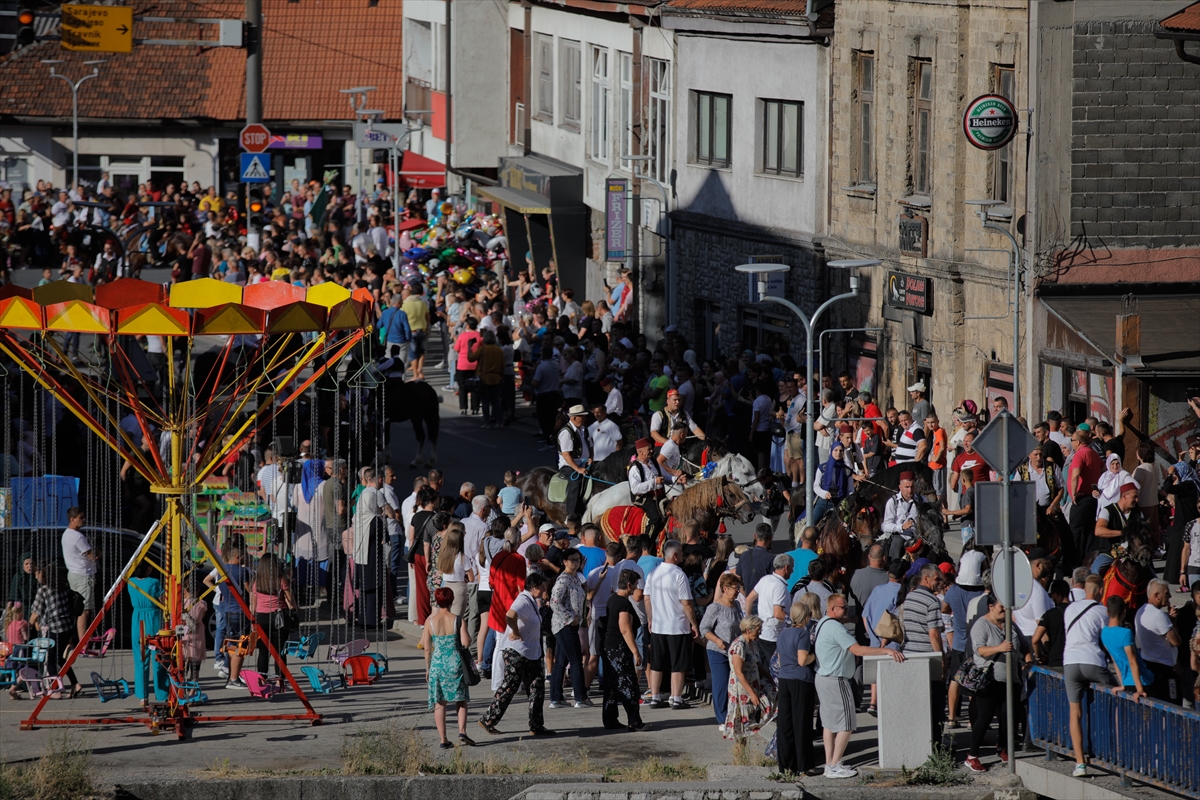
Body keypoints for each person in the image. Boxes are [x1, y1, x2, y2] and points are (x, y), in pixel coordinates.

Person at [814, 594, 905, 778]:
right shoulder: (836, 628)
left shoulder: (822, 623)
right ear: (832, 609)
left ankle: (830, 763)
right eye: (843, 608)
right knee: (846, 724)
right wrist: (886, 650)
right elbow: (857, 650)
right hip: (836, 679)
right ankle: (834, 765)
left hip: (824, 677)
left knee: (829, 725)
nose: (846, 611)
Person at [478, 572, 554, 737]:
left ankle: (536, 725)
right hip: (517, 652)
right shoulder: (523, 600)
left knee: (536, 687)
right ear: (533, 588)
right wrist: (515, 630)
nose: (544, 589)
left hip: (531, 653)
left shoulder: (531, 600)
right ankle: (488, 719)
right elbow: (509, 615)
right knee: (509, 687)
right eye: (542, 586)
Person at [963, 594, 1027, 773]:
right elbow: (980, 650)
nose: (1005, 610)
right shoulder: (981, 625)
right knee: (985, 717)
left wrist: (1028, 661)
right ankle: (972, 756)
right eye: (1001, 606)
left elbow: (1023, 644)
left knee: (1008, 716)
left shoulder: (1010, 625)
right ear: (991, 606)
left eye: (1007, 607)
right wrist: (1000, 648)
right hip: (989, 679)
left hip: (1011, 678)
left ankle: (1003, 748)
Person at [1063, 574, 1112, 778]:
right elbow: (1107, 639)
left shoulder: (1069, 608)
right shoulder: (1102, 611)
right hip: (1092, 660)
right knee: (1118, 695)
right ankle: (1116, 751)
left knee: (1075, 712)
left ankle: (1080, 763)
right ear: (1100, 590)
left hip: (1070, 662)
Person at [645, 540, 699, 710]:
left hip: (659, 625)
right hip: (677, 625)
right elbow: (687, 603)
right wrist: (694, 623)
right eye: (681, 552)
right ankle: (676, 698)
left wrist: (650, 618)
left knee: (657, 662)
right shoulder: (679, 574)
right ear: (675, 555)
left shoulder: (653, 573)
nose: (683, 555)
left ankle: (655, 696)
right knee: (678, 663)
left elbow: (646, 597)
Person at [422, 586, 475, 748]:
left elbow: (426, 647)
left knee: (440, 702)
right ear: (452, 601)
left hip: (437, 664)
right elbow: (466, 643)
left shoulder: (430, 621)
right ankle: (462, 731)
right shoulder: (458, 619)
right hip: (455, 663)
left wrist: (428, 668)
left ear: (437, 601)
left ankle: (443, 739)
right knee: (461, 698)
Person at [776, 600, 820, 776]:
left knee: (785, 724)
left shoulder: (782, 634)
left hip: (784, 679)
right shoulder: (803, 634)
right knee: (802, 723)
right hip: (800, 681)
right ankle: (804, 765)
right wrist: (814, 655)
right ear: (805, 617)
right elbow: (802, 660)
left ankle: (785, 765)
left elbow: (780, 660)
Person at [944, 550, 987, 728]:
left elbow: (944, 608)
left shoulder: (953, 590)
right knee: (973, 683)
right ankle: (972, 720)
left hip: (958, 643)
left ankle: (952, 718)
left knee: (955, 680)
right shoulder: (982, 594)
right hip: (976, 644)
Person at [602, 569, 647, 730]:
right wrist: (635, 651)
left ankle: (610, 719)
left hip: (608, 646)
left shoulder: (612, 599)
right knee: (628, 684)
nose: (636, 588)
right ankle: (634, 721)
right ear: (629, 585)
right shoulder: (623, 603)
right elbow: (625, 628)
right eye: (635, 584)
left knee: (612, 685)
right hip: (619, 648)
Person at [721, 615, 776, 742]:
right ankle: (740, 751)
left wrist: (770, 678)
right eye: (758, 630)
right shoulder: (739, 646)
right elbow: (739, 672)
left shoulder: (752, 644)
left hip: (754, 684)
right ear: (748, 630)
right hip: (742, 690)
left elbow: (757, 663)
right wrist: (752, 694)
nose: (760, 632)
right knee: (741, 722)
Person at [700, 572, 744, 726]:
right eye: (735, 588)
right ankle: (722, 718)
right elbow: (704, 628)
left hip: (734, 651)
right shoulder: (715, 607)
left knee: (734, 683)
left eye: (738, 588)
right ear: (725, 588)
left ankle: (734, 713)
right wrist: (717, 640)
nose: (738, 591)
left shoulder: (737, 605)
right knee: (721, 683)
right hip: (717, 650)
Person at [548, 548, 589, 708]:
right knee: (576, 660)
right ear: (564, 561)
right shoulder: (563, 579)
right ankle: (580, 697)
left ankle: (556, 698)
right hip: (564, 625)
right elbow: (554, 602)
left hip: (567, 624)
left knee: (561, 662)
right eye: (572, 560)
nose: (575, 563)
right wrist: (570, 618)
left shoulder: (575, 578)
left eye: (578, 560)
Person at [1134, 579, 1181, 704]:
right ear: (1157, 595)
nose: (1170, 596)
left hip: (1149, 665)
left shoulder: (1140, 611)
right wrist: (1172, 623)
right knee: (1173, 706)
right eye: (1167, 593)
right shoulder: (1158, 615)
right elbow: (1176, 641)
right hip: (1164, 671)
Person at [128, 561, 167, 703]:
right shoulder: (154, 582)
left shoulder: (130, 582)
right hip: (153, 620)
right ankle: (162, 694)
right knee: (159, 658)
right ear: (148, 568)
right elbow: (163, 601)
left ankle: (142, 695)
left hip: (137, 620)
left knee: (140, 660)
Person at [251, 553, 297, 676]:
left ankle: (262, 678)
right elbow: (290, 599)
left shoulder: (257, 581)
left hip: (261, 617)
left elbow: (253, 603)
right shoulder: (280, 579)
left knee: (263, 651)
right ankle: (279, 680)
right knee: (279, 650)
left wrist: (253, 620)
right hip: (278, 617)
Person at [744, 554, 793, 663]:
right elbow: (778, 613)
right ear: (786, 568)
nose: (793, 571)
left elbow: (749, 599)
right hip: (773, 636)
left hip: (761, 633)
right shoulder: (780, 586)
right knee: (773, 669)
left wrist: (749, 622)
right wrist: (795, 623)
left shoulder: (765, 579)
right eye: (792, 567)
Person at [61, 506, 99, 645]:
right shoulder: (78, 537)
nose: (84, 520)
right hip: (83, 575)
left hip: (73, 573)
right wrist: (98, 552)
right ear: (72, 519)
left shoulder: (66, 534)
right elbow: (91, 556)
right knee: (84, 610)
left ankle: (73, 641)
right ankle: (83, 643)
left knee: (75, 608)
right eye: (80, 518)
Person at [1100, 597, 1151, 700]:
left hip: (1126, 681)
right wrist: (1140, 689)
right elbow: (1132, 661)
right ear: (1124, 612)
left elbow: (1115, 660)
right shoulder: (1126, 633)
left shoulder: (1104, 632)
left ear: (1107, 612)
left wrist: (1122, 684)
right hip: (1142, 680)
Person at [557, 405, 593, 517]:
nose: (585, 419)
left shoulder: (584, 429)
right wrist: (578, 469)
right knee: (576, 481)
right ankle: (571, 514)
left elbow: (590, 446)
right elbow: (566, 454)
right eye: (582, 417)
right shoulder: (566, 432)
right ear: (574, 418)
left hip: (584, 463)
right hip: (569, 465)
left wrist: (591, 457)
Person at [628, 438, 669, 535]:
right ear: (641, 452)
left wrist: (677, 479)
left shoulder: (653, 462)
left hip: (660, 496)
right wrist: (654, 482)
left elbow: (665, 476)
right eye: (649, 449)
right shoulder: (635, 468)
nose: (652, 451)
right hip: (645, 499)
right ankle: (646, 540)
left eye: (651, 449)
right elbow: (635, 489)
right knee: (656, 517)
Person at [881, 473, 920, 560]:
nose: (910, 490)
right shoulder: (892, 502)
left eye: (912, 487)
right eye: (907, 487)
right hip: (901, 535)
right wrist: (901, 527)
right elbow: (885, 526)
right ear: (900, 487)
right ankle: (892, 569)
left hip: (918, 536)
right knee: (896, 546)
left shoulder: (922, 500)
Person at [811, 443, 851, 524]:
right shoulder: (822, 468)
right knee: (811, 524)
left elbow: (850, 490)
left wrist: (847, 501)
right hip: (824, 502)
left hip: (840, 504)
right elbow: (816, 486)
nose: (838, 453)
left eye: (841, 451)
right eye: (835, 450)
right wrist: (824, 493)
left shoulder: (847, 471)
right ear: (831, 451)